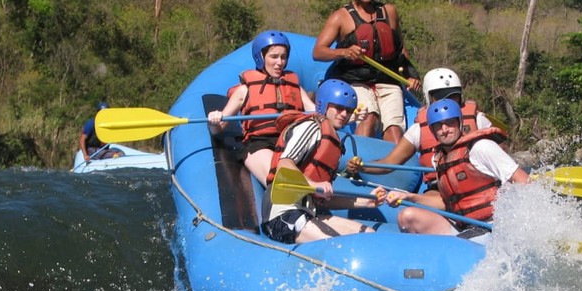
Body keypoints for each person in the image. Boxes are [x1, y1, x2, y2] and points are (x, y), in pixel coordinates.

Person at [346, 67, 496, 208]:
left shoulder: (478, 120)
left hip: (477, 184)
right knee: (411, 213)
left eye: (453, 96)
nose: (447, 102)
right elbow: (389, 163)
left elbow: (498, 156)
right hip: (440, 191)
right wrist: (362, 167)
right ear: (429, 98)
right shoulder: (418, 130)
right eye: (440, 97)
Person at [380, 98, 529, 237]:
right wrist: (409, 196)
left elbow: (524, 181)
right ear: (432, 131)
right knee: (407, 217)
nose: (445, 129)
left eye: (450, 123)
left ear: (460, 123)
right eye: (438, 126)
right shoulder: (439, 160)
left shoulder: (481, 148)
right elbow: (445, 203)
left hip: (493, 226)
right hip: (463, 227)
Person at [312, 0, 421, 144]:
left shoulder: (389, 11)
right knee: (369, 118)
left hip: (388, 80)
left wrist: (411, 75)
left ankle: (390, 162)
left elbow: (400, 50)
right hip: (356, 81)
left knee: (394, 131)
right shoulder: (340, 17)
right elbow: (318, 52)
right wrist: (344, 52)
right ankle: (358, 160)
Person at [262, 79, 385, 244]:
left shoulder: (332, 141)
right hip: (282, 215)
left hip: (306, 213)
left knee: (368, 235)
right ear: (323, 105)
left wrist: (366, 202)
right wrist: (313, 184)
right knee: (335, 246)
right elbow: (284, 164)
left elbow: (326, 199)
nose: (344, 114)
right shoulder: (311, 127)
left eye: (348, 110)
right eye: (339, 108)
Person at [208, 30, 317, 185]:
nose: (280, 62)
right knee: (279, 179)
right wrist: (214, 121)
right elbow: (218, 129)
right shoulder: (244, 90)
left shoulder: (295, 87)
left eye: (283, 57)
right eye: (274, 57)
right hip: (259, 144)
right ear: (260, 57)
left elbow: (316, 113)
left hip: (291, 143)